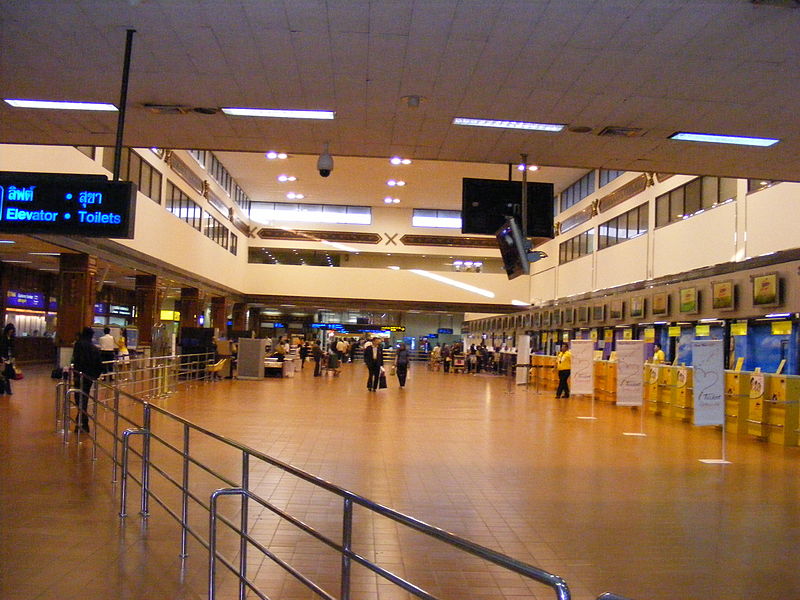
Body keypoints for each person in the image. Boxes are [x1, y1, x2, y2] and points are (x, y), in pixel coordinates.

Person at [71, 326, 103, 433]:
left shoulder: (78, 345)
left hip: (79, 375)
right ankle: (82, 422)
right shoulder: (94, 348)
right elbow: (99, 365)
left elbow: (76, 360)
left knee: (79, 398)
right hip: (89, 377)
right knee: (84, 398)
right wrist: (95, 376)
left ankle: (82, 422)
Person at [0, 324, 16, 395]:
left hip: (9, 358)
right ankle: (5, 390)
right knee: (3, 374)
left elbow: (13, 348)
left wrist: (13, 357)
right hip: (3, 358)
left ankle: (6, 390)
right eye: (10, 331)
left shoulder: (12, 338)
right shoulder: (3, 338)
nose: (11, 332)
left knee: (7, 374)